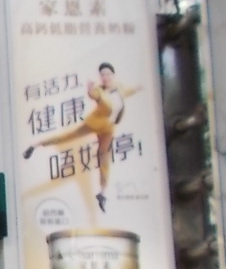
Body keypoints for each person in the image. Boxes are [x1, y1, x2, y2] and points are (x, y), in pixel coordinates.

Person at [22, 62, 141, 213]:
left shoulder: (119, 87)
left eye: (108, 74)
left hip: (108, 130)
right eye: (102, 75)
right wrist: (89, 89)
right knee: (67, 137)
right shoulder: (99, 91)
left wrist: (138, 88)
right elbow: (94, 95)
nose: (105, 77)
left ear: (113, 75)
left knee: (104, 157)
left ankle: (102, 193)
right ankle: (35, 145)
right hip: (93, 124)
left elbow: (125, 93)